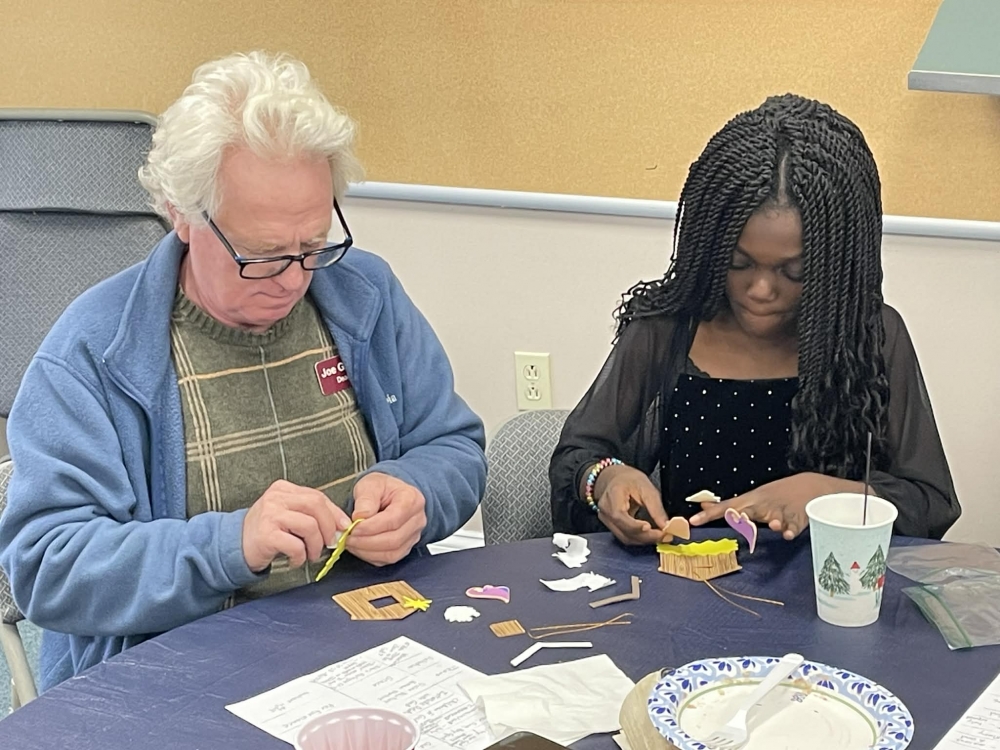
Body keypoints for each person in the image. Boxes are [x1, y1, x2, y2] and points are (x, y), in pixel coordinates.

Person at [0, 51, 486, 690]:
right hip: (184, 675)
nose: (293, 279)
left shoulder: (363, 294)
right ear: (180, 214)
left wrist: (416, 491)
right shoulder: (93, 353)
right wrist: (231, 545)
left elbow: (454, 446)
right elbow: (49, 568)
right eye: (261, 254)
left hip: (371, 645)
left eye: (312, 245)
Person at [549, 94, 959, 547]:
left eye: (794, 271)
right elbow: (579, 455)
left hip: (824, 582)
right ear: (710, 247)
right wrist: (606, 479)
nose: (761, 290)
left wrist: (827, 493)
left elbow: (930, 501)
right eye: (738, 262)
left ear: (834, 264)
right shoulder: (666, 330)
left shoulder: (870, 338)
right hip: (685, 578)